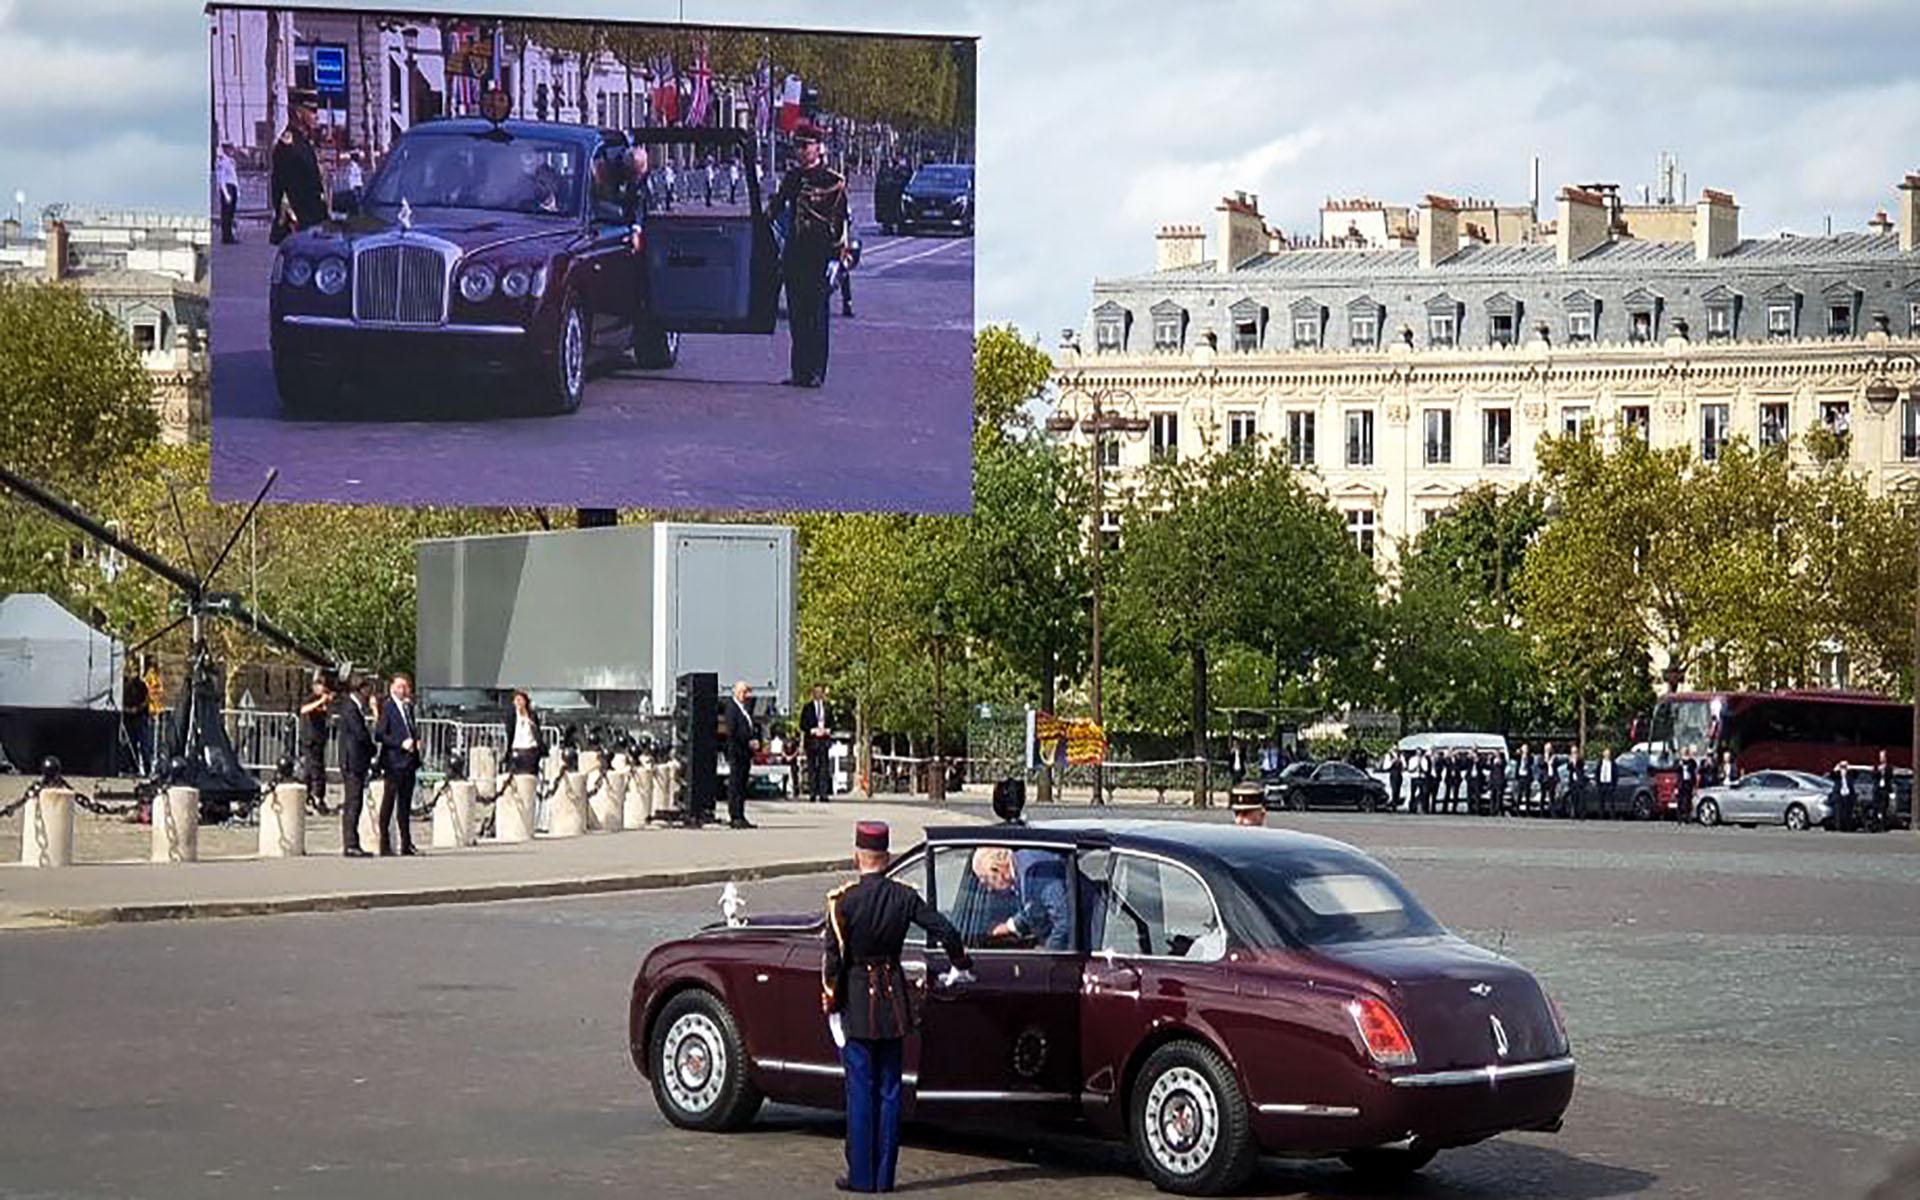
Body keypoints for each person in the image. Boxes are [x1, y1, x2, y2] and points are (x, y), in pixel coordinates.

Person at [821, 821, 972, 1194]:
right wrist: (960, 962)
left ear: (857, 856)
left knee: (859, 1092)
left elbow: (833, 963)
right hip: (892, 1003)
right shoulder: (904, 896)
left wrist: (831, 1005)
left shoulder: (843, 901)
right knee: (890, 1091)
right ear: (886, 858)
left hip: (856, 1004)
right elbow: (945, 929)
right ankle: (884, 1177)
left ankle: (861, 1175)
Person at [770, 120, 851, 388]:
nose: (801, 151)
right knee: (797, 315)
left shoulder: (832, 180)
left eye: (806, 146)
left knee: (816, 315)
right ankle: (799, 370)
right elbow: (777, 208)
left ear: (818, 148)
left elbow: (840, 223)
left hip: (819, 255)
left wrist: (836, 259)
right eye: (798, 146)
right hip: (796, 254)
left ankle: (816, 370)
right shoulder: (793, 178)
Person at [268, 87, 327, 243]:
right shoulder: (289, 147)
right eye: (312, 111)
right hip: (299, 228)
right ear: (299, 113)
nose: (317, 117)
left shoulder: (304, 143)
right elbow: (286, 196)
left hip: (313, 224)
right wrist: (295, 227)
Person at [373, 673, 421, 856]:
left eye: (405, 687)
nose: (403, 690)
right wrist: (400, 743)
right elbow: (380, 734)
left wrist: (416, 742)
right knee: (389, 802)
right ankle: (384, 843)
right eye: (400, 686)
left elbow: (411, 729)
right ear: (393, 687)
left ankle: (406, 843)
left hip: (409, 762)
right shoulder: (388, 707)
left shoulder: (407, 707)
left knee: (405, 805)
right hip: (394, 762)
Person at [336, 678, 375, 857]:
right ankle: (350, 843)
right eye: (368, 690)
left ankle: (353, 842)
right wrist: (372, 748)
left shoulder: (355, 707)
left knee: (355, 802)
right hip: (352, 761)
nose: (370, 694)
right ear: (361, 690)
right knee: (353, 802)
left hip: (357, 761)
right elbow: (360, 734)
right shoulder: (350, 708)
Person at [724, 680, 760, 829]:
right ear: (736, 692)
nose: (746, 695)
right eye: (743, 692)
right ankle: (735, 815)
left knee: (742, 785)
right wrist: (748, 741)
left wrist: (754, 739)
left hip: (745, 753)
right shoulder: (732, 708)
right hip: (737, 751)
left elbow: (749, 727)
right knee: (735, 784)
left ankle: (741, 813)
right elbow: (733, 731)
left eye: (747, 692)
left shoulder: (745, 709)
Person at [297, 674, 334, 810]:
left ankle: (315, 795)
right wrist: (320, 702)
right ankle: (313, 795)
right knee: (312, 768)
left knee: (316, 768)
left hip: (319, 738)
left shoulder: (323, 700)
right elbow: (303, 710)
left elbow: (326, 714)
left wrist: (327, 702)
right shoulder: (310, 698)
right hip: (309, 738)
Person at [804, 684, 834, 804]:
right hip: (812, 740)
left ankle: (823, 794)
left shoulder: (827, 707)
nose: (818, 694)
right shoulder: (807, 707)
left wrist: (828, 730)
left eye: (820, 692)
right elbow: (803, 724)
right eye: (816, 692)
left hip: (823, 741)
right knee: (812, 767)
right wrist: (812, 730)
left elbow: (832, 722)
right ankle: (812, 793)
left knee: (823, 767)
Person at [508, 689, 545, 775]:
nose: (518, 703)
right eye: (516, 700)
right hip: (517, 748)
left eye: (520, 700)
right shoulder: (512, 715)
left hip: (530, 749)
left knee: (530, 776)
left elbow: (537, 732)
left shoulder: (531, 715)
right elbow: (510, 731)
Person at [214, 143, 240, 244]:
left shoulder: (230, 161)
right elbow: (221, 179)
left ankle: (230, 235)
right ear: (225, 149)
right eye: (230, 149)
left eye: (232, 149)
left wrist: (237, 191)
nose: (231, 151)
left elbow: (234, 178)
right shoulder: (222, 161)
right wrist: (226, 194)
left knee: (231, 214)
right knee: (226, 215)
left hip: (232, 188)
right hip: (227, 188)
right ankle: (226, 237)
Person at [1830, 760, 1857, 832]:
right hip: (1839, 796)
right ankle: (1838, 828)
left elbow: (1856, 775)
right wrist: (1836, 769)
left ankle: (1848, 827)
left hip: (1848, 796)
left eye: (1845, 767)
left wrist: (1850, 767)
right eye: (1842, 767)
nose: (1843, 769)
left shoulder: (1850, 775)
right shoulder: (1837, 776)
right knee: (1838, 813)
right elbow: (1831, 775)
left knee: (1848, 813)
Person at [1595, 745, 1616, 819]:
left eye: (1608, 754)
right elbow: (1597, 772)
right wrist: (1597, 782)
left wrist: (1614, 784)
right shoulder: (1600, 763)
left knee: (1611, 801)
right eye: (1605, 754)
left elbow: (1615, 773)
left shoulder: (1612, 763)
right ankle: (1601, 816)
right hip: (1602, 783)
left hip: (1609, 783)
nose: (1607, 755)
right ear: (1603, 754)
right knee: (1601, 801)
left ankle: (1612, 816)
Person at [1515, 743, 1535, 814]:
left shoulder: (1530, 757)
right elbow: (1515, 756)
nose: (1525, 750)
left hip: (1527, 776)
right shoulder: (1519, 756)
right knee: (1519, 794)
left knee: (1527, 794)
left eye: (1526, 748)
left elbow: (1531, 763)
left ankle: (1527, 811)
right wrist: (1519, 753)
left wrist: (1526, 756)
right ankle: (1517, 810)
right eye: (1524, 748)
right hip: (1520, 776)